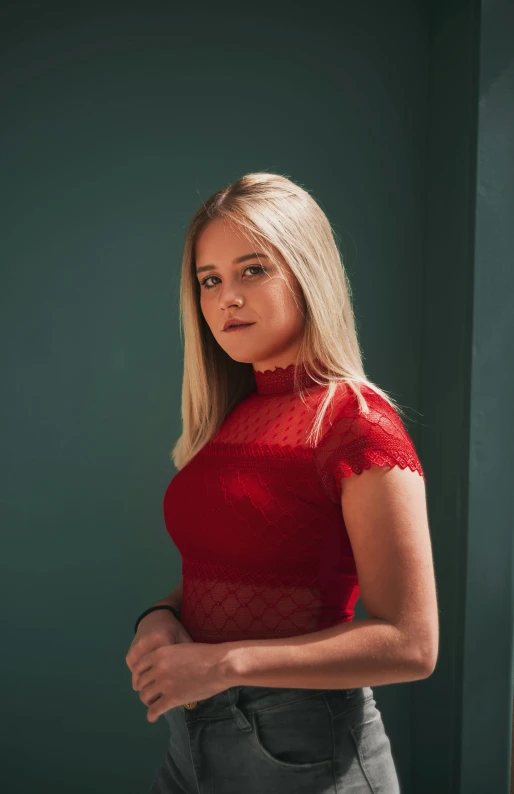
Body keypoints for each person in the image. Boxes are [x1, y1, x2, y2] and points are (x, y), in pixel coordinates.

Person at [125, 172, 439, 793]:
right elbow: (246, 570)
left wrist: (224, 663)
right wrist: (159, 616)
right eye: (210, 280)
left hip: (306, 754)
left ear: (307, 272)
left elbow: (411, 643)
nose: (227, 298)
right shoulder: (232, 414)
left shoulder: (357, 423)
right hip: (192, 744)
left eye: (252, 270)